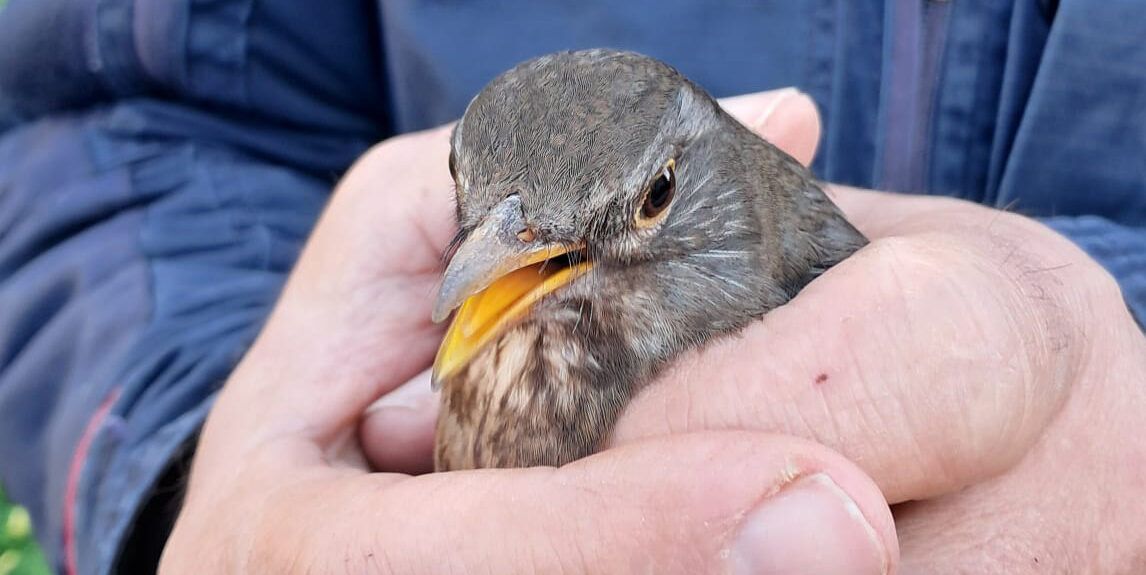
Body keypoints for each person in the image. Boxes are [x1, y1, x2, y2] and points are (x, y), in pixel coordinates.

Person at [1, 1, 1143, 573]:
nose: (478, 268)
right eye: (476, 216)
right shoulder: (484, 322)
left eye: (649, 200)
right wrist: (207, 474)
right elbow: (123, 113)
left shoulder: (808, 289)